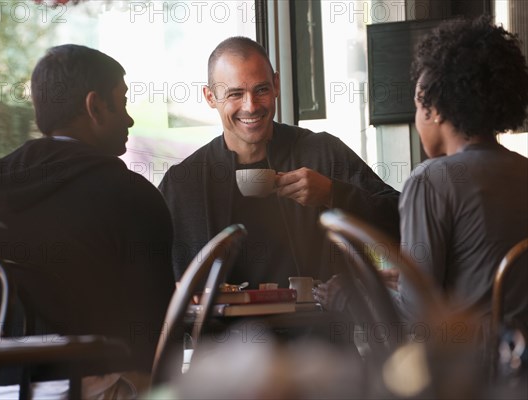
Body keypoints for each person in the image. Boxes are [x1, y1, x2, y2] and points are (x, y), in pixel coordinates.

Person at [0, 44, 175, 395]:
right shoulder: (131, 196)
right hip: (82, 387)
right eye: (121, 103)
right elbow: (155, 329)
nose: (129, 119)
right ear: (94, 106)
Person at [159, 36, 400, 289]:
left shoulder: (323, 153)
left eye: (261, 89)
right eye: (235, 94)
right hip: (220, 328)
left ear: (276, 85)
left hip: (317, 326)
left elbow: (402, 220)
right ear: (210, 97)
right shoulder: (183, 183)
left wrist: (332, 193)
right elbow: (153, 277)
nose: (250, 106)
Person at [397, 16, 528, 328]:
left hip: (476, 371)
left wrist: (349, 294)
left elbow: (417, 315)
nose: (416, 119)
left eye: (418, 105)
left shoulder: (430, 181)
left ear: (436, 110)